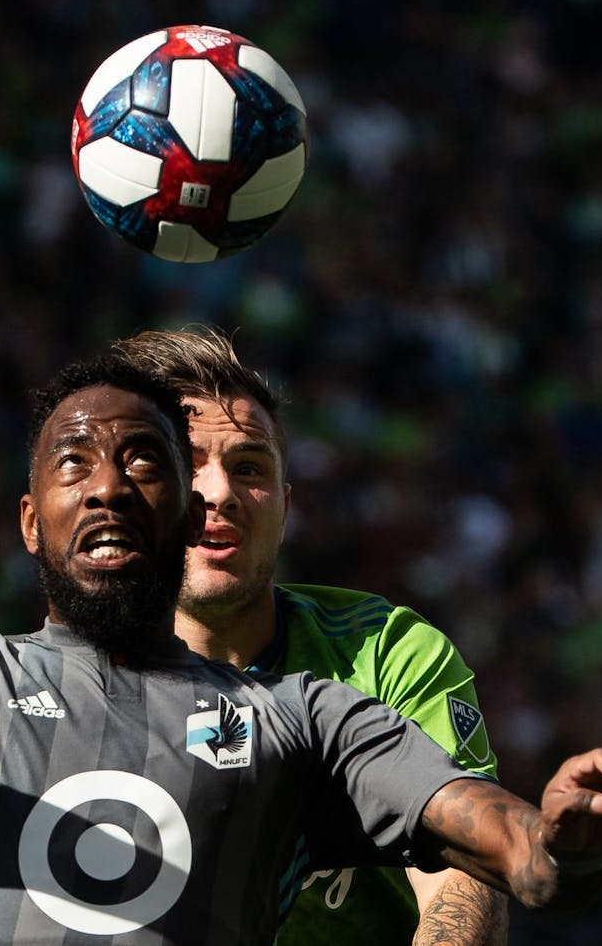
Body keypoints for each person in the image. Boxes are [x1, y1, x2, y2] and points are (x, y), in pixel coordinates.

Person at [0, 343, 602, 945]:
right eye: (74, 463)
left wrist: (565, 844)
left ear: (181, 520)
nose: (109, 486)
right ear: (28, 522)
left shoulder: (307, 718)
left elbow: (513, 860)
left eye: (141, 464)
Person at [114, 325, 505, 945]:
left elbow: (465, 869)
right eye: (188, 464)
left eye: (249, 467)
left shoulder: (386, 653)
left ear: (284, 507)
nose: (220, 492)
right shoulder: (65, 684)